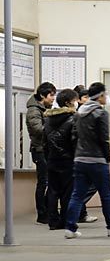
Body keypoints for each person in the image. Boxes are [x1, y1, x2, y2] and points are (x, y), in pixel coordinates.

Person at [64, 82, 110, 238]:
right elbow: (103, 139)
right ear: (100, 96)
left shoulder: (79, 113)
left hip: (80, 159)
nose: (106, 97)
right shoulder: (101, 113)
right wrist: (107, 158)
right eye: (105, 94)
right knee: (106, 194)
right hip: (97, 160)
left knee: (77, 194)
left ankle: (70, 228)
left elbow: (74, 136)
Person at [43, 89, 78, 230]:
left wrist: (49, 156)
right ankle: (65, 220)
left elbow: (44, 142)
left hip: (52, 159)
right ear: (68, 102)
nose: (76, 103)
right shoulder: (73, 119)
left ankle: (52, 221)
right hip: (68, 160)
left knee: (52, 190)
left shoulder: (48, 119)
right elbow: (75, 141)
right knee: (67, 192)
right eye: (75, 100)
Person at [26, 82, 57, 224]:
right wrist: (54, 126)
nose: (53, 98)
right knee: (43, 182)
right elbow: (38, 129)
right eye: (51, 95)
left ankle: (47, 211)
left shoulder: (44, 108)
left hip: (45, 149)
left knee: (48, 181)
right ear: (42, 95)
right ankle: (42, 214)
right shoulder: (34, 110)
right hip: (39, 150)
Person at [72, 84, 98, 224]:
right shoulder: (79, 115)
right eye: (85, 97)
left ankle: (79, 213)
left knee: (82, 187)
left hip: (83, 154)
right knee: (88, 186)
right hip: (84, 156)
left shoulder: (86, 113)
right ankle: (77, 212)